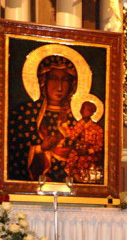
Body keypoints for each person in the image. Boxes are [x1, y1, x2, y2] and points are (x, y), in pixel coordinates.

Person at [7, 54, 78, 182]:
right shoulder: (25, 113)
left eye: (65, 80)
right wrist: (40, 148)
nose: (60, 87)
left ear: (72, 84)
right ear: (43, 81)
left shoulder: (76, 119)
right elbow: (14, 154)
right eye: (54, 79)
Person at [59, 100, 104, 184]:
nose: (81, 111)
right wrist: (65, 124)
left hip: (92, 154)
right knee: (71, 156)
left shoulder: (97, 128)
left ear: (91, 112)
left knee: (82, 160)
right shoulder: (80, 124)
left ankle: (82, 180)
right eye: (81, 108)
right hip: (79, 151)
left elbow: (99, 146)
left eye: (85, 109)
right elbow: (72, 136)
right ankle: (73, 178)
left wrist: (88, 151)